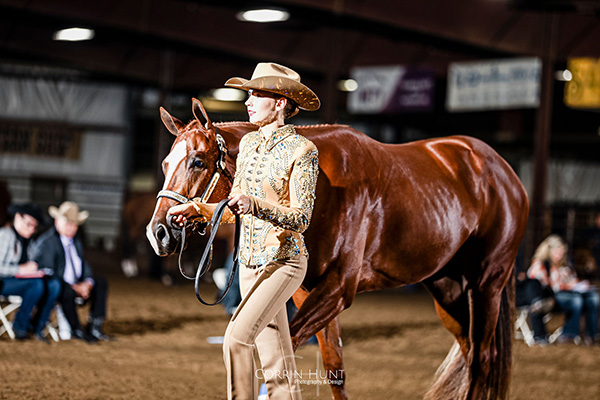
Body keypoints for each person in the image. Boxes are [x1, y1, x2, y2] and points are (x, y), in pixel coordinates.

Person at [168, 62, 320, 399]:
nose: (248, 101)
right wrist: (197, 209)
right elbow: (232, 210)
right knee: (276, 361)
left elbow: (301, 218)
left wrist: (255, 204)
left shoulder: (303, 151)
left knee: (236, 340)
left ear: (280, 102)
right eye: (248, 94)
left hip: (284, 262)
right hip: (248, 266)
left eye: (257, 94)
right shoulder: (249, 145)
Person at [34, 201, 112, 342]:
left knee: (100, 283)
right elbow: (49, 271)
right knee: (65, 290)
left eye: (74, 224)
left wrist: (87, 283)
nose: (72, 227)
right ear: (57, 221)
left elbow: (84, 265)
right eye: (68, 223)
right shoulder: (47, 242)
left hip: (76, 284)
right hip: (59, 286)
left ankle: (95, 327)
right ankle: (76, 329)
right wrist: (74, 287)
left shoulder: (76, 241)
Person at [0, 203, 61, 343]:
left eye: (34, 227)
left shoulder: (28, 241)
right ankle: (20, 326)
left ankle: (38, 326)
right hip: (3, 282)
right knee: (36, 285)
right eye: (28, 224)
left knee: (53, 285)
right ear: (17, 218)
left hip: (22, 281)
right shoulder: (5, 235)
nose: (31, 229)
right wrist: (20, 269)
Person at [528, 234, 600, 345]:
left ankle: (592, 335)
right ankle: (569, 335)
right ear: (549, 251)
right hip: (551, 298)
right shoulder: (541, 265)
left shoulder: (565, 264)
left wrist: (578, 285)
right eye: (558, 252)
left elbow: (573, 280)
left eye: (562, 252)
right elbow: (537, 285)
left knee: (594, 297)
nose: (561, 255)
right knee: (576, 300)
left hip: (571, 293)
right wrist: (565, 285)